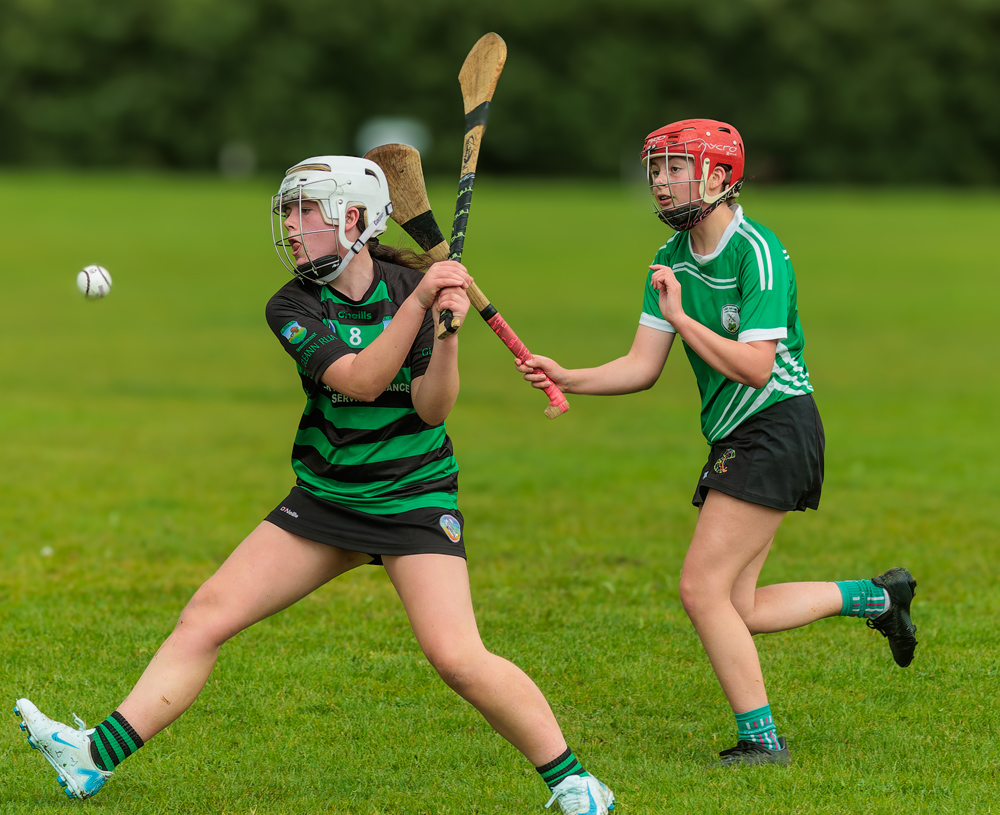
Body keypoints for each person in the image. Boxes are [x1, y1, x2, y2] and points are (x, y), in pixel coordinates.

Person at [15, 155, 615, 814]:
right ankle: (92, 757)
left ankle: (577, 785)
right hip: (327, 499)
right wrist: (422, 302)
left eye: (306, 211)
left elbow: (431, 409)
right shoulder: (292, 304)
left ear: (353, 219)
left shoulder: (406, 286)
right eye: (289, 212)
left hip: (412, 499)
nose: (292, 227)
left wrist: (445, 335)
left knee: (458, 658)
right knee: (206, 617)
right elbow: (359, 379)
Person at [517, 120, 919, 767]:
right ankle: (880, 597)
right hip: (739, 432)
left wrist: (681, 317)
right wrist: (569, 376)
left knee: (701, 589)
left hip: (777, 423)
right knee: (739, 606)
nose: (660, 180)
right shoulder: (669, 257)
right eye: (655, 168)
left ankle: (762, 740)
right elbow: (642, 365)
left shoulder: (758, 250)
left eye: (675, 168)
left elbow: (757, 367)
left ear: (717, 177)